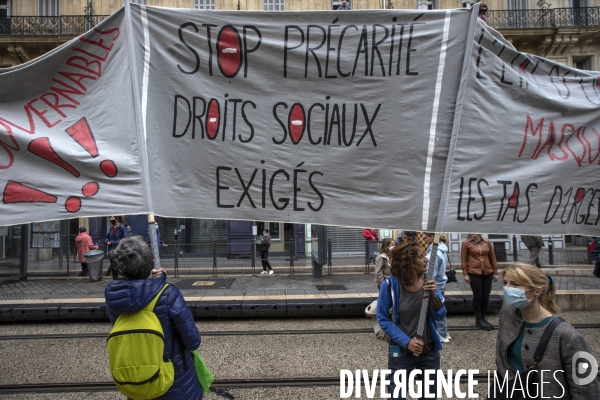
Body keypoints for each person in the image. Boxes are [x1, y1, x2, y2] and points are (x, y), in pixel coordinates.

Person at [104, 237, 203, 400]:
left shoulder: (114, 298)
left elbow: (136, 297)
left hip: (137, 381)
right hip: (174, 383)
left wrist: (154, 281)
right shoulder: (168, 294)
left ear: (121, 268)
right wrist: (159, 281)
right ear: (152, 262)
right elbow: (193, 341)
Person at [490, 263, 600, 399]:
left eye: (515, 284)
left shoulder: (567, 336)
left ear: (537, 291)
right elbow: (503, 360)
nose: (507, 289)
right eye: (505, 283)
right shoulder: (507, 315)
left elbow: (586, 389)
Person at [377, 241, 447, 399]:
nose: (427, 259)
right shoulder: (390, 286)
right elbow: (383, 319)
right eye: (421, 256)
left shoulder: (429, 284)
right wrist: (407, 342)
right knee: (397, 395)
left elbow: (440, 315)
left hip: (429, 350)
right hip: (401, 351)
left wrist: (434, 296)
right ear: (408, 262)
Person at [461, 233, 498, 330]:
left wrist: (495, 272)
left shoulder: (487, 242)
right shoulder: (466, 243)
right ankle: (478, 319)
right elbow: (463, 259)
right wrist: (465, 273)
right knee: (478, 296)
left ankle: (483, 318)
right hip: (474, 272)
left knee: (486, 297)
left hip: (487, 272)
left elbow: (492, 257)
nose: (472, 233)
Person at [424, 233, 450, 343]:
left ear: (432, 238)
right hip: (441, 282)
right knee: (439, 307)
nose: (424, 239)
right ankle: (443, 332)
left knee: (437, 308)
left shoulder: (433, 254)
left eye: (426, 237)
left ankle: (442, 334)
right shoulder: (443, 249)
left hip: (436, 285)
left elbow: (431, 274)